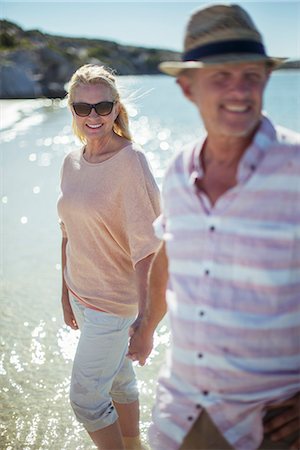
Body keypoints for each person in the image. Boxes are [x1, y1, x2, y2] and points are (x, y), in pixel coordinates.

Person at [127, 4, 300, 450]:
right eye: (220, 76)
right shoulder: (179, 168)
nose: (239, 90)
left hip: (269, 424)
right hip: (179, 415)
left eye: (251, 75)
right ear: (187, 88)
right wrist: (146, 326)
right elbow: (170, 249)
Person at [57, 64, 160, 450]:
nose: (93, 116)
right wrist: (64, 294)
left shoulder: (131, 162)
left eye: (102, 106)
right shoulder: (71, 162)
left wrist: (147, 324)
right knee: (118, 382)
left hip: (113, 307)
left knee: (85, 400)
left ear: (116, 108)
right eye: (83, 108)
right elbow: (67, 233)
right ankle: (134, 446)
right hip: (81, 297)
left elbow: (149, 251)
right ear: (72, 110)